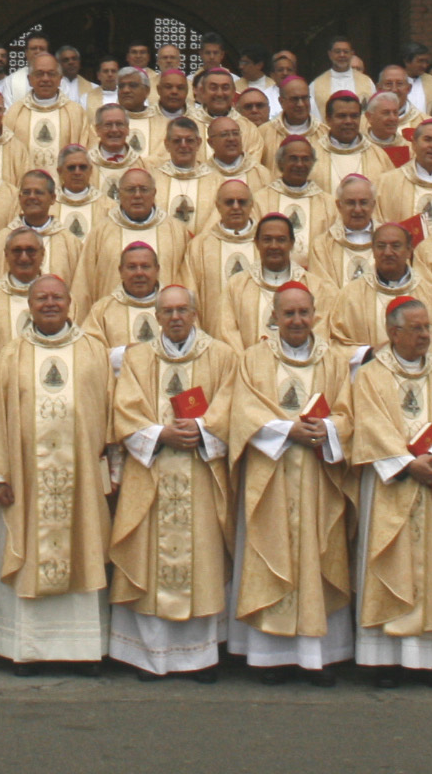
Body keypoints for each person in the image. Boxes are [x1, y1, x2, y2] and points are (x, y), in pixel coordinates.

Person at [0, 271, 112, 670]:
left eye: (57, 298)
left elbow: (110, 415)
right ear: (29, 306)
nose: (50, 304)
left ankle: (83, 650)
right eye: (41, 299)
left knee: (83, 550)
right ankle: (27, 648)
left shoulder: (93, 351)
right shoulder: (9, 355)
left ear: (71, 303)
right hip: (25, 484)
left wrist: (110, 470)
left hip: (82, 482)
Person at [107, 281, 238, 680]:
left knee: (202, 560)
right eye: (168, 312)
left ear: (195, 314)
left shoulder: (222, 356)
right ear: (157, 317)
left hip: (201, 472)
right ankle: (151, 655)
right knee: (148, 561)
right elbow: (124, 410)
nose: (176, 317)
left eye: (183, 310)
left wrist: (202, 429)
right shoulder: (139, 358)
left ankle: (199, 656)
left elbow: (233, 406)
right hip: (152, 473)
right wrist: (160, 434)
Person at [228, 279, 352, 683]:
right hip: (270, 475)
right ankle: (269, 657)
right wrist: (287, 431)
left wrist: (329, 429)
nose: (297, 320)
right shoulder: (253, 358)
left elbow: (350, 413)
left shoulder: (333, 360)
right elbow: (242, 411)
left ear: (315, 315)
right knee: (270, 553)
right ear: (274, 317)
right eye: (289, 313)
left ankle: (317, 656)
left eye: (304, 313)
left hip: (318, 476)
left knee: (315, 557)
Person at [346, 297, 432, 687]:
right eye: (416, 328)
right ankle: (383, 661)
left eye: (428, 328)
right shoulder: (371, 376)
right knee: (389, 563)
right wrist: (405, 463)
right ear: (393, 332)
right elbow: (368, 423)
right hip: (391, 483)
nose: (425, 336)